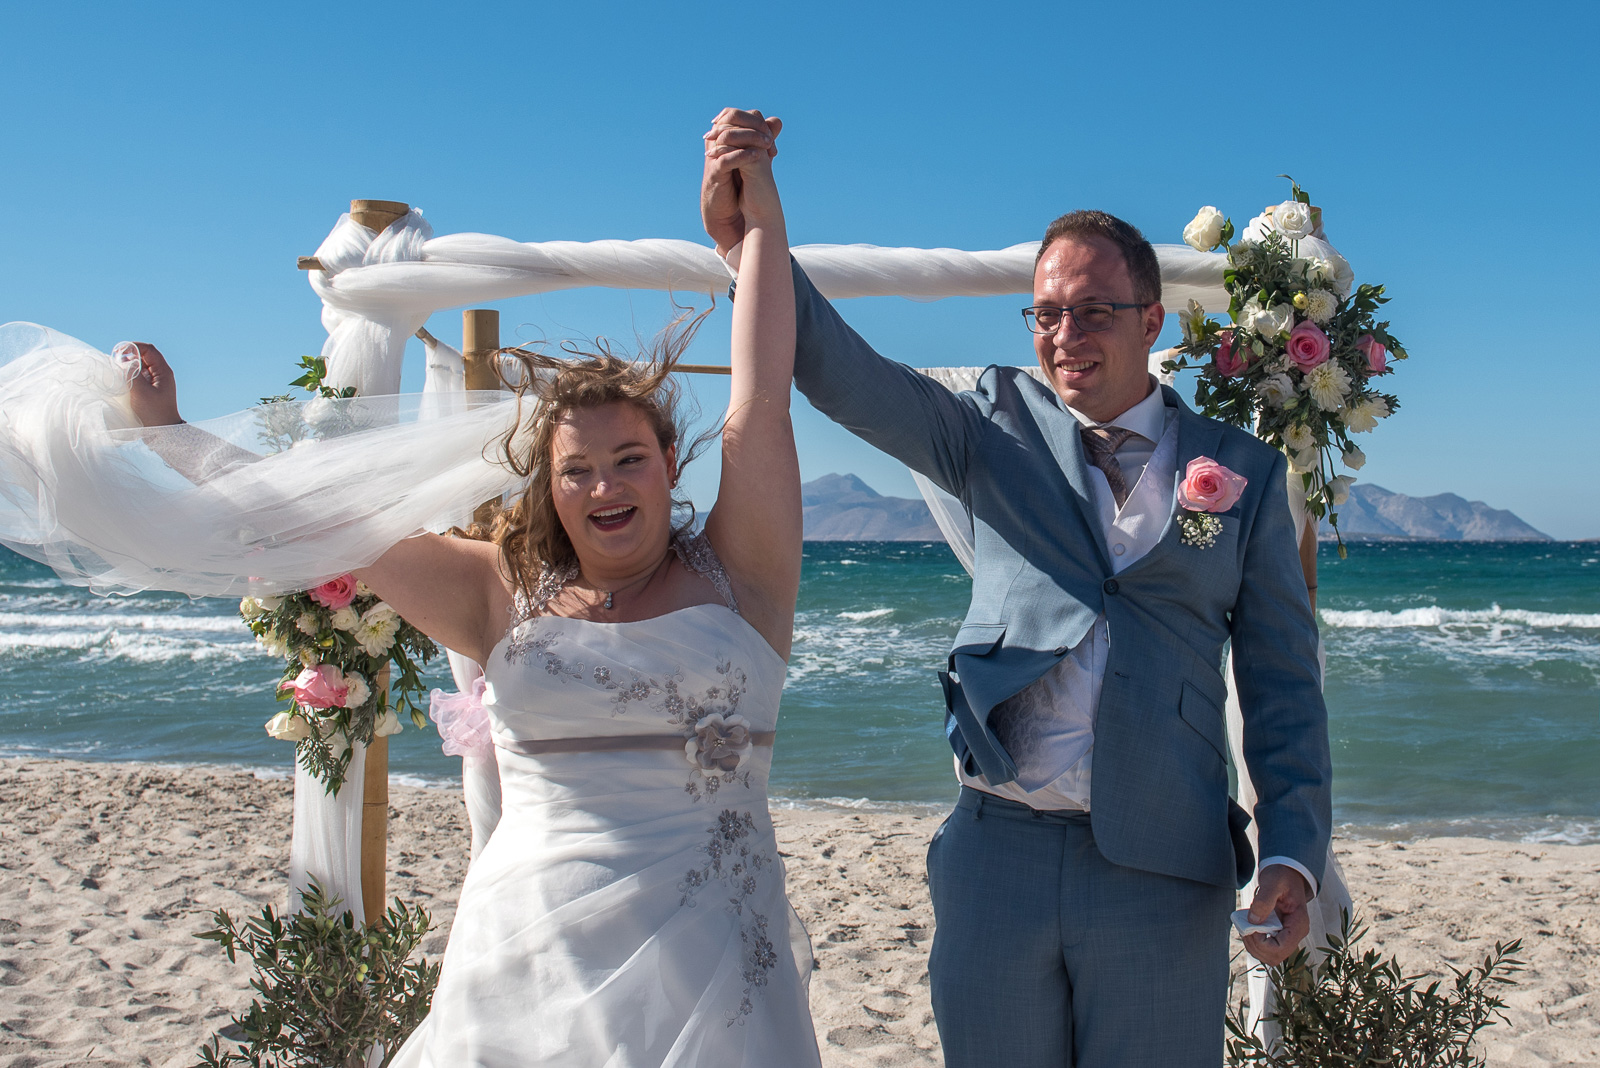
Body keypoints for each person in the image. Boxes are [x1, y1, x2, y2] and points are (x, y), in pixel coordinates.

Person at [25, 130, 818, 1067]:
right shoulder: (496, 590)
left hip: (716, 973)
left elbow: (760, 401)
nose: (606, 488)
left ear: (669, 464)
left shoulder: (744, 575)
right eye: (579, 471)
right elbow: (305, 515)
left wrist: (754, 227)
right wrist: (171, 436)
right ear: (549, 487)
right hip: (530, 963)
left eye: (628, 460)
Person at [702, 108, 1332, 1068]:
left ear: (1153, 321)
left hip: (1167, 866)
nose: (1064, 334)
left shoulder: (1235, 468)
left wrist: (1291, 852)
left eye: (1092, 312)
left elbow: (1285, 683)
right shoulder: (988, 425)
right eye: (1045, 312)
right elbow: (839, 369)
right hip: (1000, 852)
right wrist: (750, 241)